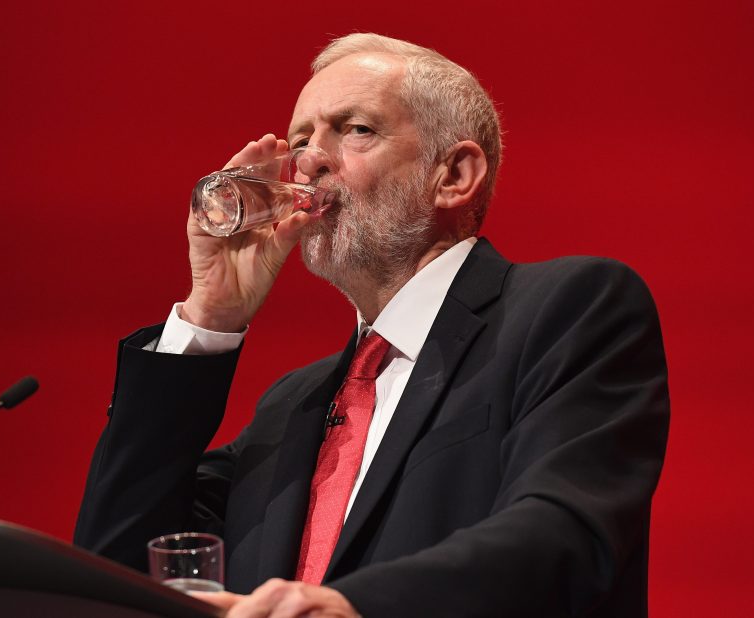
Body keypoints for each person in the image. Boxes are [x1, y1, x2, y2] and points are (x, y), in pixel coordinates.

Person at [75, 33, 669, 617]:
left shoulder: (568, 310)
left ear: (454, 175)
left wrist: (353, 607)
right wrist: (211, 314)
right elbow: (116, 572)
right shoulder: (290, 410)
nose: (308, 161)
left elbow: (561, 536)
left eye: (355, 129)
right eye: (301, 139)